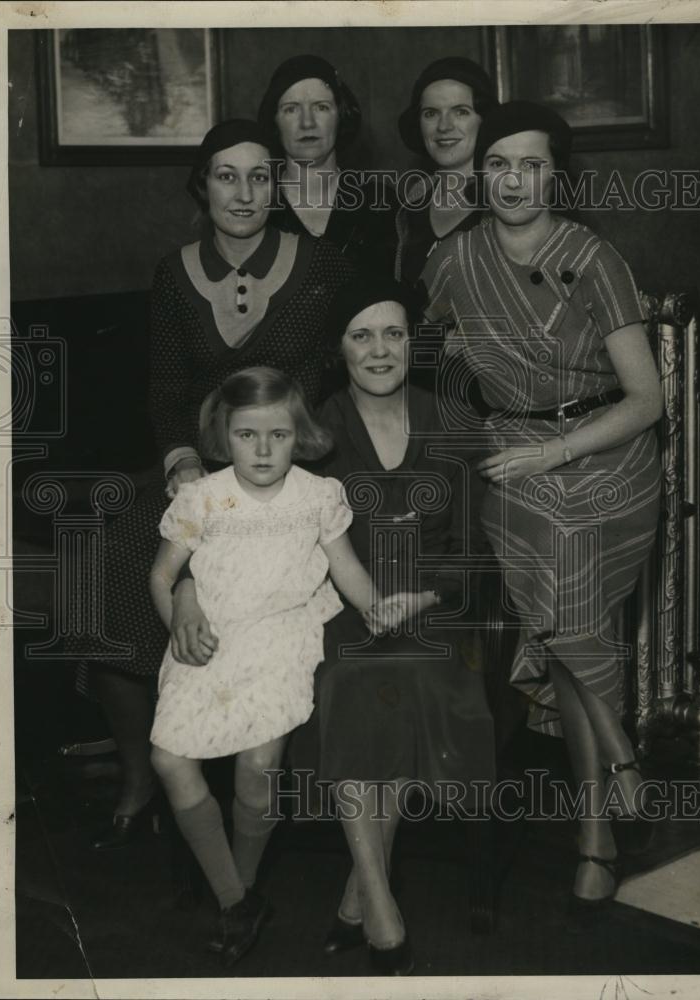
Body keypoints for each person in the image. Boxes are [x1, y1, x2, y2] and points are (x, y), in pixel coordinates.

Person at [172, 277, 496, 975]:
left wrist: (420, 599)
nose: (380, 350)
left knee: (413, 680)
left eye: (394, 333)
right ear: (339, 351)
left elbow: (473, 557)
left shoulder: (451, 420)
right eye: (361, 335)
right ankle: (378, 894)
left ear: (414, 342)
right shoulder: (313, 431)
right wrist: (190, 587)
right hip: (342, 611)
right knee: (352, 679)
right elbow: (237, 530)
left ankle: (358, 894)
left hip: (436, 611)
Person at [82, 119, 354, 851]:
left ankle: (258, 773)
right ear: (202, 185)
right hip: (197, 470)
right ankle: (143, 772)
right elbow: (166, 387)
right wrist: (180, 463)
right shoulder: (175, 272)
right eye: (226, 176)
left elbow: (333, 379)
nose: (244, 192)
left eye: (259, 176)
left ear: (279, 183)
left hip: (287, 469)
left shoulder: (320, 262)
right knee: (117, 561)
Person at [422, 101, 663, 918]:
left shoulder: (594, 257)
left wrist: (556, 451)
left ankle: (598, 826)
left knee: (567, 632)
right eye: (499, 163)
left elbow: (648, 400)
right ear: (479, 173)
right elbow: (419, 346)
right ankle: (615, 777)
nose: (514, 178)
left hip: (607, 456)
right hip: (515, 462)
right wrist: (455, 351)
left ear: (556, 173)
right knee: (568, 608)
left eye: (531, 163)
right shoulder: (454, 259)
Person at [148, 366, 395, 966]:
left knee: (259, 763)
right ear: (222, 435)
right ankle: (239, 900)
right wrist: (179, 620)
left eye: (278, 436)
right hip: (209, 637)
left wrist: (376, 609)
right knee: (168, 760)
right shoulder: (201, 497)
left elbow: (348, 570)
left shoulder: (317, 497)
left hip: (282, 634)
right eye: (246, 435)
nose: (262, 450)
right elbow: (161, 574)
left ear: (299, 434)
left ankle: (242, 891)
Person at [257, 54, 396, 274]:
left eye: (321, 107)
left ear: (341, 115)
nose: (307, 123)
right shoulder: (255, 202)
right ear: (274, 121)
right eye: (291, 109)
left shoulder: (381, 202)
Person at [394, 57, 498, 289]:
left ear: (484, 119)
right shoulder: (413, 200)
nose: (443, 126)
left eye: (460, 112)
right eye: (430, 113)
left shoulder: (508, 199)